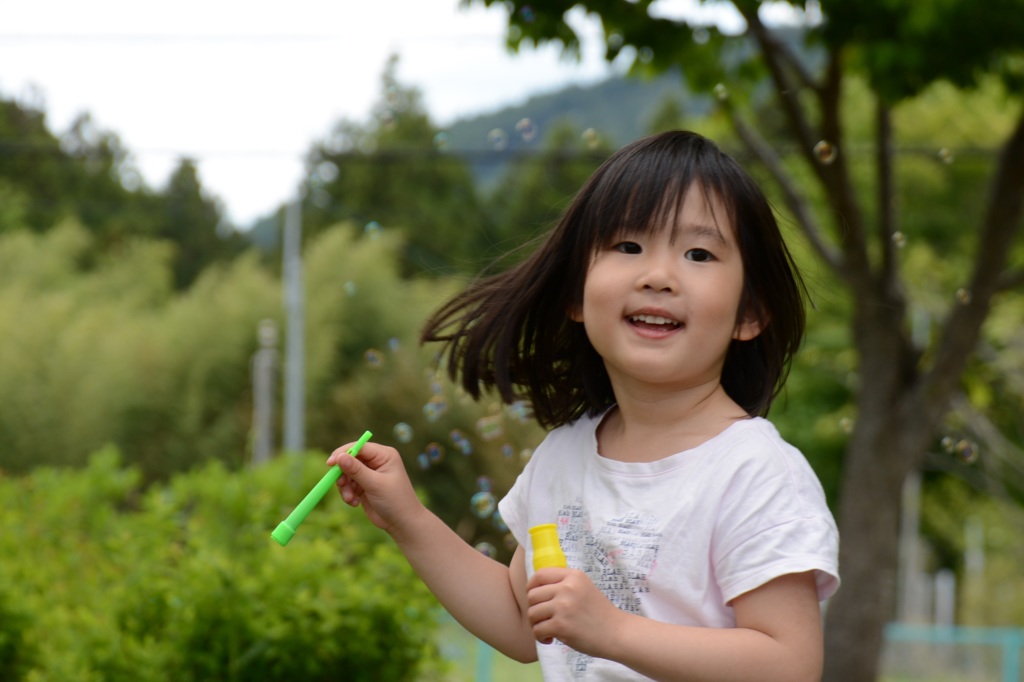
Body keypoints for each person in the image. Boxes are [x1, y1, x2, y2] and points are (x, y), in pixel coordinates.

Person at [328, 130, 839, 681]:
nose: (658, 276)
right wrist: (408, 519)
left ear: (749, 313)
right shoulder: (564, 457)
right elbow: (525, 624)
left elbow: (790, 665)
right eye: (628, 246)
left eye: (698, 253)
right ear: (576, 293)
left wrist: (614, 631)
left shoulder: (755, 472)